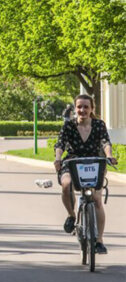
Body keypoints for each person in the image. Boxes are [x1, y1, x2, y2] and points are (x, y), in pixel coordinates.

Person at [54, 94, 118, 254]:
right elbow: (60, 143)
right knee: (66, 184)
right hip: (72, 162)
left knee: (96, 199)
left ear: (91, 109)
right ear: (75, 109)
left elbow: (105, 141)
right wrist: (58, 159)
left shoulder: (98, 125)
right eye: (79, 107)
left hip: (94, 163)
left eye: (86, 107)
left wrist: (109, 155)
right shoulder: (69, 126)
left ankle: (99, 241)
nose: (82, 110)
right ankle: (71, 215)